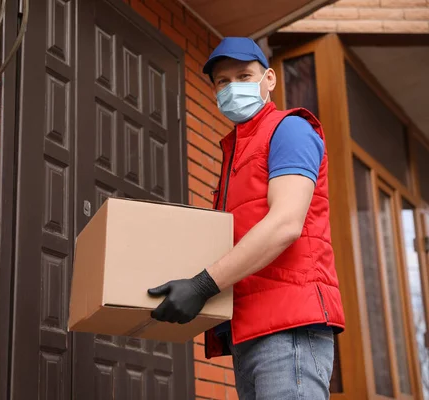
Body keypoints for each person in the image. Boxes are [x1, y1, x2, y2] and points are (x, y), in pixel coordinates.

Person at [147, 37, 345, 399]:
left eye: (244, 75)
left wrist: (202, 286)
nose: (233, 87)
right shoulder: (235, 154)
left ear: (268, 79)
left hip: (289, 327)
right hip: (249, 328)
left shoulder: (290, 129)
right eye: (223, 82)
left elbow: (285, 223)